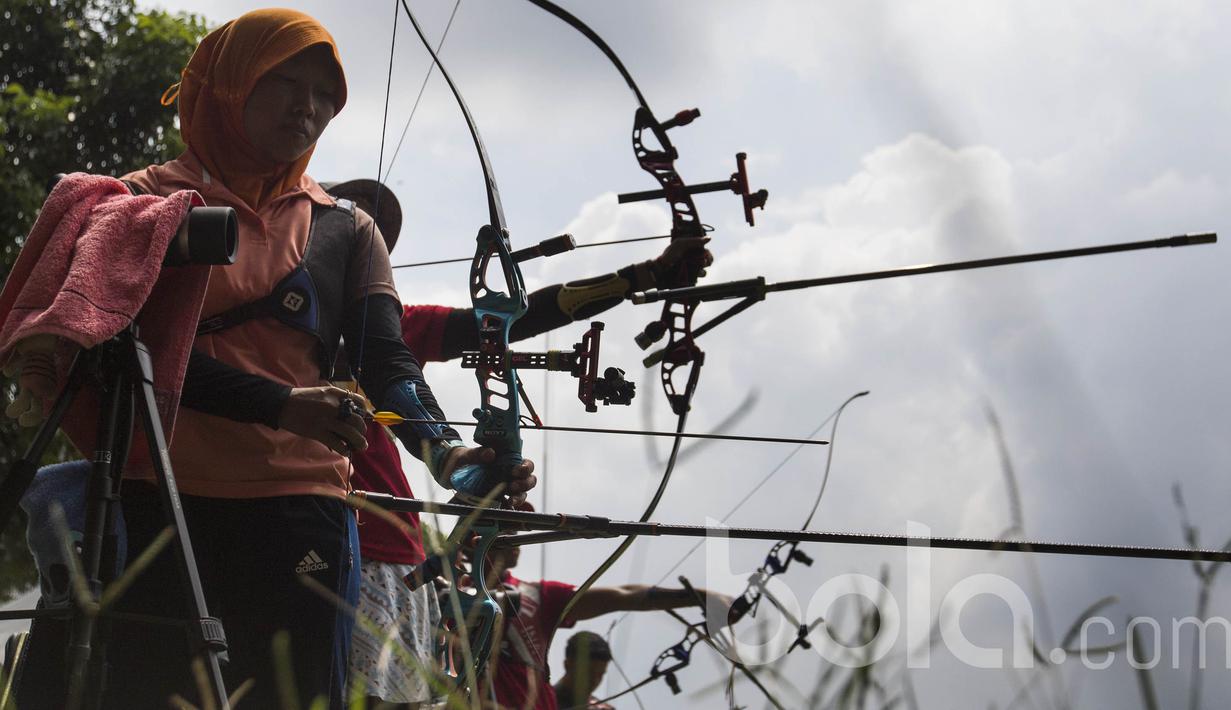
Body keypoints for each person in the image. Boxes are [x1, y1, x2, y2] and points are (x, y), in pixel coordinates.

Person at [2, 9, 535, 710]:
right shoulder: (132, 203)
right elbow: (117, 351)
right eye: (283, 81)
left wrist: (450, 458)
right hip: (154, 502)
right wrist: (278, 403)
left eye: (323, 92)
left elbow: (387, 364)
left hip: (301, 514)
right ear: (225, 85)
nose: (306, 106)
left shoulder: (347, 227)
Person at [337, 180, 712, 708]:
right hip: (291, 521)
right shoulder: (250, 315)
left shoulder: (395, 327)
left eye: (363, 239)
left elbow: (511, 319)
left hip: (385, 550)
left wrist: (643, 276)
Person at [470, 519, 731, 710]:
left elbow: (623, 595)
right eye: (508, 530)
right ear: (477, 536)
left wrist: (702, 597)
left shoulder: (537, 596)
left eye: (516, 531)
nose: (517, 540)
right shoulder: (446, 587)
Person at [552, 632, 614, 710]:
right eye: (589, 673)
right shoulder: (541, 702)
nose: (594, 681)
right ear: (568, 665)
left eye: (600, 674)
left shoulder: (600, 707)